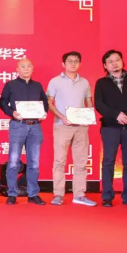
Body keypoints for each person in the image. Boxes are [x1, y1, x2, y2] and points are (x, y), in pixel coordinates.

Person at [94, 49, 127, 208]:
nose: (114, 63)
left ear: (122, 61)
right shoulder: (101, 83)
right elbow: (99, 104)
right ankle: (107, 197)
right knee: (108, 161)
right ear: (105, 65)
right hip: (110, 127)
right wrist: (116, 115)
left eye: (117, 60)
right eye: (110, 61)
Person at [47, 51, 96, 206]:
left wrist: (89, 115)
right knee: (59, 161)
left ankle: (79, 195)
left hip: (81, 127)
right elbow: (48, 103)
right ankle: (58, 194)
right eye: (70, 61)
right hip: (62, 125)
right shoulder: (55, 81)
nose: (73, 64)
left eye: (76, 61)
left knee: (81, 162)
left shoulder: (85, 82)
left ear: (80, 64)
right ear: (63, 64)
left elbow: (89, 102)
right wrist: (62, 117)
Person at [0, 58, 49, 205]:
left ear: (32, 68)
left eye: (28, 66)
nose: (26, 69)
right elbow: (2, 102)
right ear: (17, 69)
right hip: (18, 125)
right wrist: (12, 112)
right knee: (14, 161)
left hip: (35, 126)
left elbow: (44, 103)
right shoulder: (10, 85)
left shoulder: (37, 85)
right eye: (23, 66)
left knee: (34, 162)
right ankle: (12, 193)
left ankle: (33, 194)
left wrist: (44, 113)